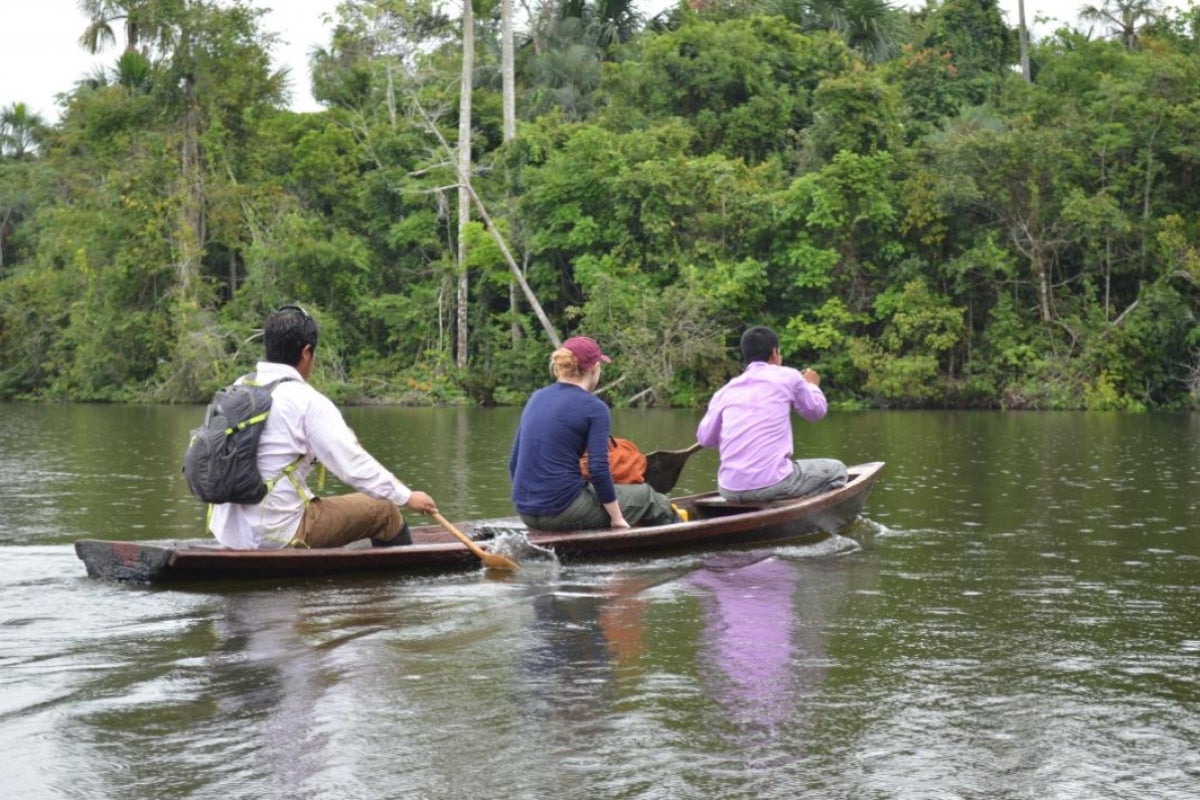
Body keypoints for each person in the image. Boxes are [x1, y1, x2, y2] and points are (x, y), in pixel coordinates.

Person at [208, 304, 438, 549]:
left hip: (229, 532)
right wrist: (407, 496)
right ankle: (405, 581)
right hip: (276, 533)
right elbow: (353, 466)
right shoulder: (307, 400)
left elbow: (272, 455)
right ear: (306, 353)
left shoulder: (239, 386)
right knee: (386, 510)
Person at [509, 336, 678, 531]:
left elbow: (514, 461)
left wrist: (529, 502)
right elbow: (598, 468)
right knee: (648, 497)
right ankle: (684, 544)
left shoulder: (536, 397)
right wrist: (617, 518)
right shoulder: (595, 408)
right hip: (563, 511)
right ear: (595, 368)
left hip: (526, 512)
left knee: (588, 488)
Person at [696, 325, 847, 502]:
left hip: (729, 489)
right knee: (838, 470)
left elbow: (705, 440)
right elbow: (816, 412)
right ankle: (796, 508)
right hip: (773, 483)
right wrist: (812, 385)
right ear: (775, 353)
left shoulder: (724, 392)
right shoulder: (789, 376)